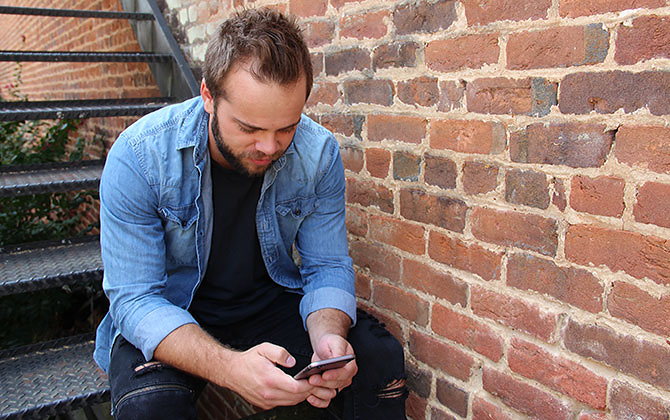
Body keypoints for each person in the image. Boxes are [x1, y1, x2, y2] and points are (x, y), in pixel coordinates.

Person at [93, 7, 407, 419]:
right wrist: (230, 369)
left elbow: (327, 264)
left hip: (264, 304)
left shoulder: (318, 153)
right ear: (208, 96)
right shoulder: (139, 157)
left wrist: (328, 336)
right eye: (249, 129)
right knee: (151, 406)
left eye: (286, 128)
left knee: (375, 359)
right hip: (172, 308)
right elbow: (135, 298)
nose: (270, 147)